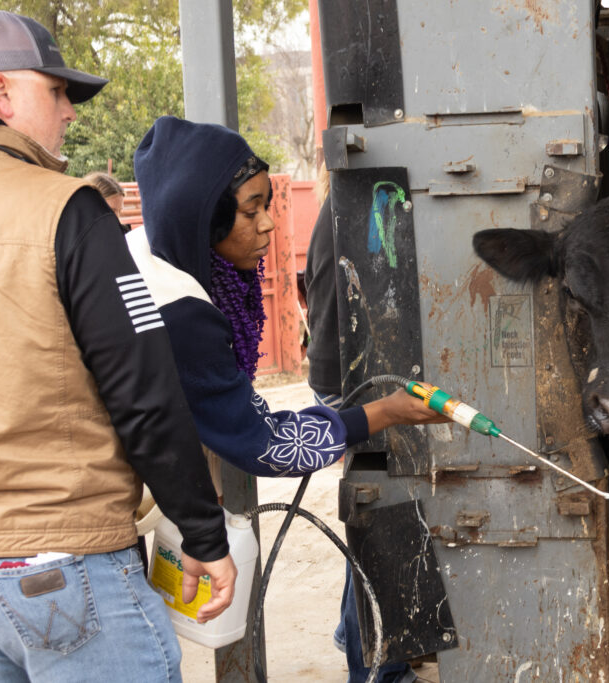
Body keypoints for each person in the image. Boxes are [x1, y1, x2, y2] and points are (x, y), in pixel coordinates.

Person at [0, 11, 236, 682]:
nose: (70, 112)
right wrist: (203, 533)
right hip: (64, 566)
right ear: (0, 95)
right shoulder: (66, 211)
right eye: (58, 92)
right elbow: (143, 389)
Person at [129, 116, 445, 484]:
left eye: (267, 206)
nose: (268, 224)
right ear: (200, 220)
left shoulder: (144, 248)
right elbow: (268, 443)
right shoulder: (178, 311)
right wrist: (390, 411)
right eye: (251, 212)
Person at [304, 162, 415, 683]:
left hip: (340, 371)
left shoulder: (344, 199)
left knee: (376, 506)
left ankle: (357, 636)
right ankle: (376, 668)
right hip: (354, 381)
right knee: (382, 513)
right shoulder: (374, 197)